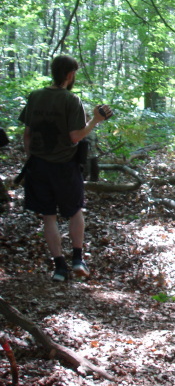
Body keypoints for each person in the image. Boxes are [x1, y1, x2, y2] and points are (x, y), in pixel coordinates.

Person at [18, 55, 112, 282]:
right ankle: (77, 259)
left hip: (38, 166)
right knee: (75, 211)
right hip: (65, 167)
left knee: (48, 216)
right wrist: (95, 120)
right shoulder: (72, 100)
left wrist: (33, 158)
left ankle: (59, 267)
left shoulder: (35, 96)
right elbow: (75, 137)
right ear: (70, 74)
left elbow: (27, 134)